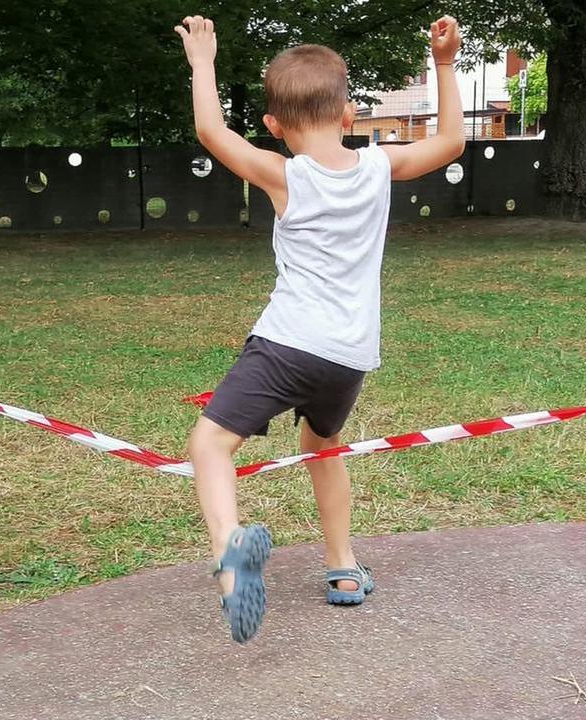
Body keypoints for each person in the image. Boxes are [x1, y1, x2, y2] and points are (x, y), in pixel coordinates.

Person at [174, 14, 464, 643]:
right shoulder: (379, 168)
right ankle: (343, 569)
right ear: (352, 114)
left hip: (285, 343)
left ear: (274, 127)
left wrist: (203, 62)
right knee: (321, 447)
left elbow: (209, 129)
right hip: (349, 355)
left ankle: (232, 559)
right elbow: (449, 144)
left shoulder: (284, 174)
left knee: (210, 446)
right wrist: (443, 64)